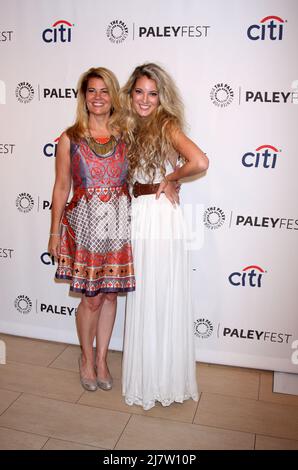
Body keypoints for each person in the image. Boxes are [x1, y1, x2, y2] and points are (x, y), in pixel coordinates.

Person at [120, 63, 209, 410]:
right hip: (141, 214)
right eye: (139, 92)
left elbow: (199, 161)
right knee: (150, 296)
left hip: (157, 215)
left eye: (152, 94)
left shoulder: (166, 125)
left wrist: (171, 177)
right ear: (130, 94)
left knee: (159, 294)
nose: (145, 99)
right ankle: (153, 377)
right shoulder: (126, 127)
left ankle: (161, 380)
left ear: (162, 98)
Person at [48, 67, 135, 392]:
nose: (98, 97)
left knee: (110, 295)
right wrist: (55, 232)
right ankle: (86, 358)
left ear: (113, 96)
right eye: (91, 91)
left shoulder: (127, 135)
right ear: (83, 96)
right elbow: (60, 188)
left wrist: (172, 183)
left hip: (118, 224)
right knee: (92, 300)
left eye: (104, 91)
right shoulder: (70, 138)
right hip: (84, 226)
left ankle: (102, 360)